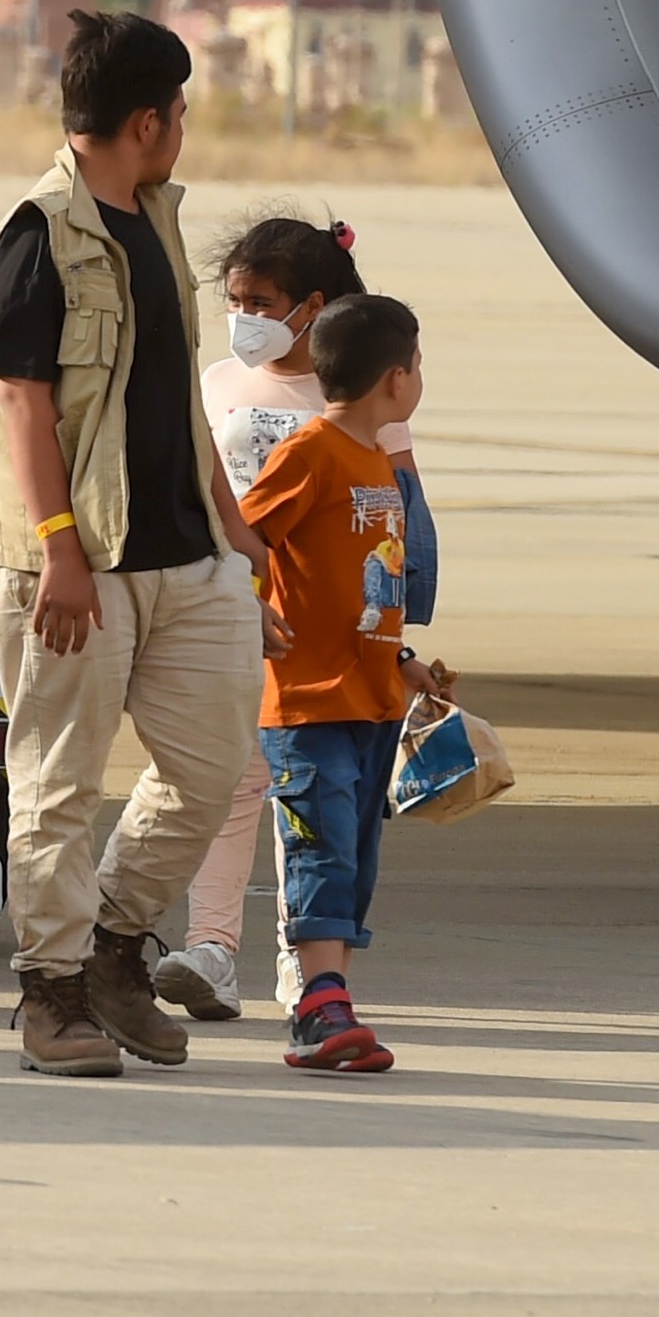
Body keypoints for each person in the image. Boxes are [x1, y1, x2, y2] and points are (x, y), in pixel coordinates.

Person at [0, 10, 271, 1077]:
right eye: (179, 110)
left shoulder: (153, 219)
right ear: (147, 120)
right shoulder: (34, 235)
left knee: (208, 766)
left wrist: (235, 531)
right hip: (77, 564)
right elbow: (20, 403)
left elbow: (173, 398)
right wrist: (56, 547)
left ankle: (108, 947)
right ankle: (48, 996)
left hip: (185, 556)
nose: (183, 129)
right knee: (56, 786)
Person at [161, 214, 438, 1020]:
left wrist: (402, 631)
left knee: (311, 797)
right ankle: (211, 949)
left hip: (321, 635)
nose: (244, 315)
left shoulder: (358, 394)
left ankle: (300, 959)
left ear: (312, 306)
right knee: (231, 784)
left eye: (262, 300)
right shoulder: (215, 381)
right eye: (235, 299)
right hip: (235, 616)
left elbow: (400, 519)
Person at [238, 294, 442, 1075]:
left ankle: (329, 1003)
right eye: (418, 366)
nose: (420, 379)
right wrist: (250, 609)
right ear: (397, 379)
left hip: (371, 695)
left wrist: (403, 659)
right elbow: (245, 533)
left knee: (354, 856)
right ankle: (321, 1005)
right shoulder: (312, 452)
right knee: (319, 848)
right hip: (310, 700)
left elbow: (364, 589)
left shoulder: (377, 465)